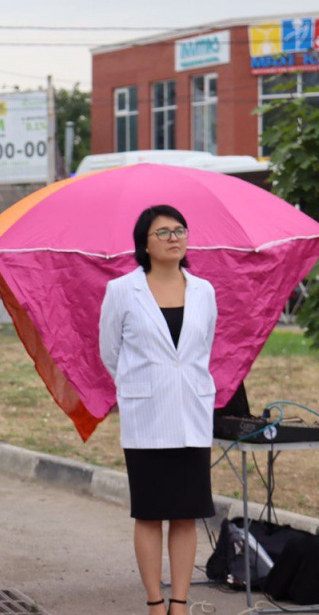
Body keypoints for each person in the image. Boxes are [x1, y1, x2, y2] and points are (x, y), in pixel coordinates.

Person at [99, 205, 217, 615]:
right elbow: (109, 351)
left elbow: (202, 348)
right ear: (144, 244)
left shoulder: (204, 290)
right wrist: (140, 384)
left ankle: (180, 603)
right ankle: (154, 602)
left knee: (187, 514)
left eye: (179, 230)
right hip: (147, 416)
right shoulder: (122, 291)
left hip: (192, 415)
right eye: (163, 232)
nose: (173, 238)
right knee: (149, 514)